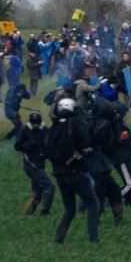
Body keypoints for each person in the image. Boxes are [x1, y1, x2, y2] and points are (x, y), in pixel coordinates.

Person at [46, 98, 100, 243]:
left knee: (69, 208)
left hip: (59, 173)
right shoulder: (76, 123)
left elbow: (47, 149)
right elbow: (86, 143)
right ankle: (93, 238)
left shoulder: (55, 125)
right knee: (92, 203)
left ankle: (59, 238)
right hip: (75, 171)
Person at [14, 111, 54, 216]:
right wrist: (31, 145)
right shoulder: (25, 129)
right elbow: (17, 146)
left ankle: (29, 212)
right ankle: (45, 211)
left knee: (38, 191)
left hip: (40, 164)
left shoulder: (45, 130)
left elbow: (50, 144)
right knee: (48, 187)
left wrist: (45, 153)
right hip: (31, 164)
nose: (35, 124)